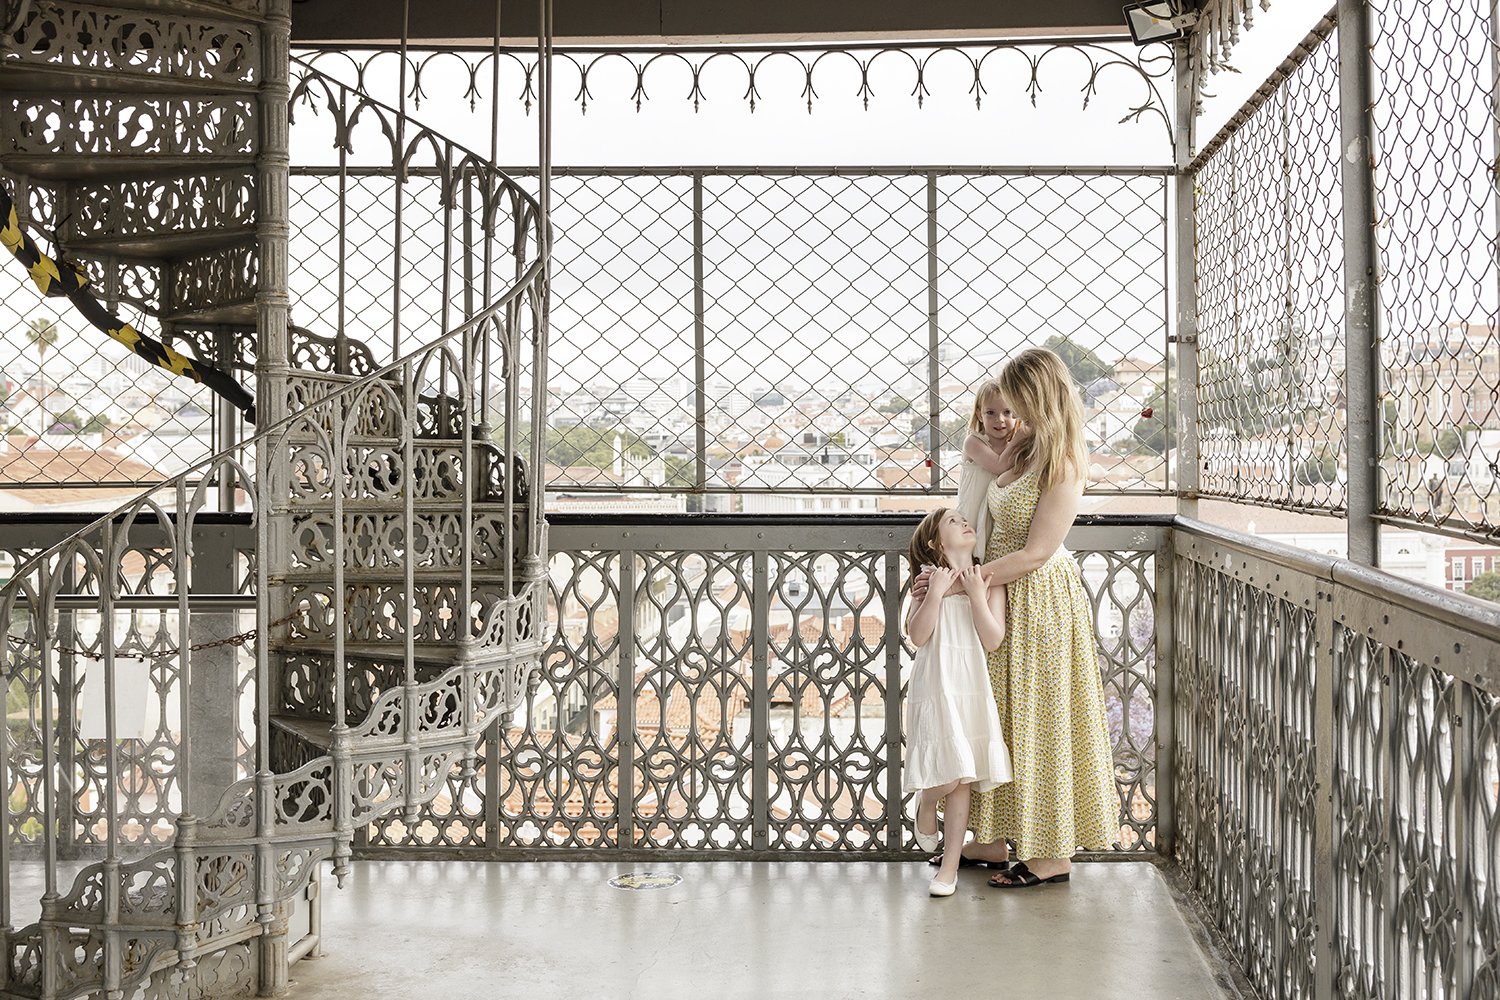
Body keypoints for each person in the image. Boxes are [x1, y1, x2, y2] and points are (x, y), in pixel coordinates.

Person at [914, 347, 1117, 888]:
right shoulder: (1026, 449)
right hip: (999, 591)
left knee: (1041, 723)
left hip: (1037, 597)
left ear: (1041, 397)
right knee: (1001, 718)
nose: (1012, 412)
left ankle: (1051, 854)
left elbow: (1037, 553)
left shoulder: (1066, 461)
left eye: (1022, 400)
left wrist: (963, 584)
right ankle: (995, 835)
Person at [903, 508, 1013, 897]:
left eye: (965, 519)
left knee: (963, 774)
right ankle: (926, 800)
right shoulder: (927, 580)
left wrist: (975, 594)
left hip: (970, 684)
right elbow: (917, 635)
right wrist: (934, 593)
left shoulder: (989, 578)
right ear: (936, 544)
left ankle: (948, 869)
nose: (965, 523)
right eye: (953, 521)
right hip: (935, 684)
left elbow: (992, 637)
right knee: (950, 775)